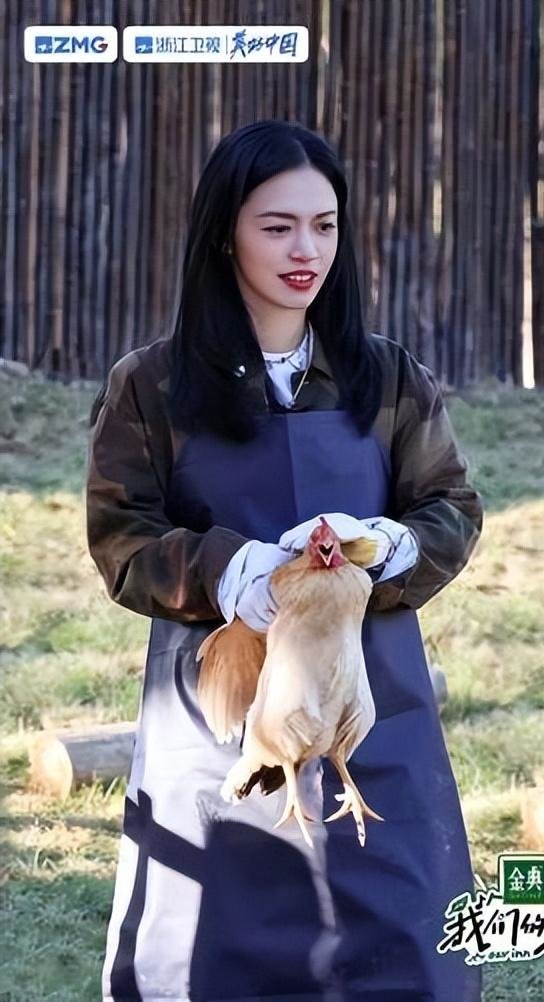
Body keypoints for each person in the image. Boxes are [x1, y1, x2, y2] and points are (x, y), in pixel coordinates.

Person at [86, 119, 484, 1002]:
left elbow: (450, 509)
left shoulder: (388, 378)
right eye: (277, 226)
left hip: (373, 721)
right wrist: (239, 572)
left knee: (399, 961)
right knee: (211, 961)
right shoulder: (151, 386)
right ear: (224, 232)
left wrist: (384, 546)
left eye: (325, 225)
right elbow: (120, 537)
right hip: (221, 726)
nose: (307, 251)